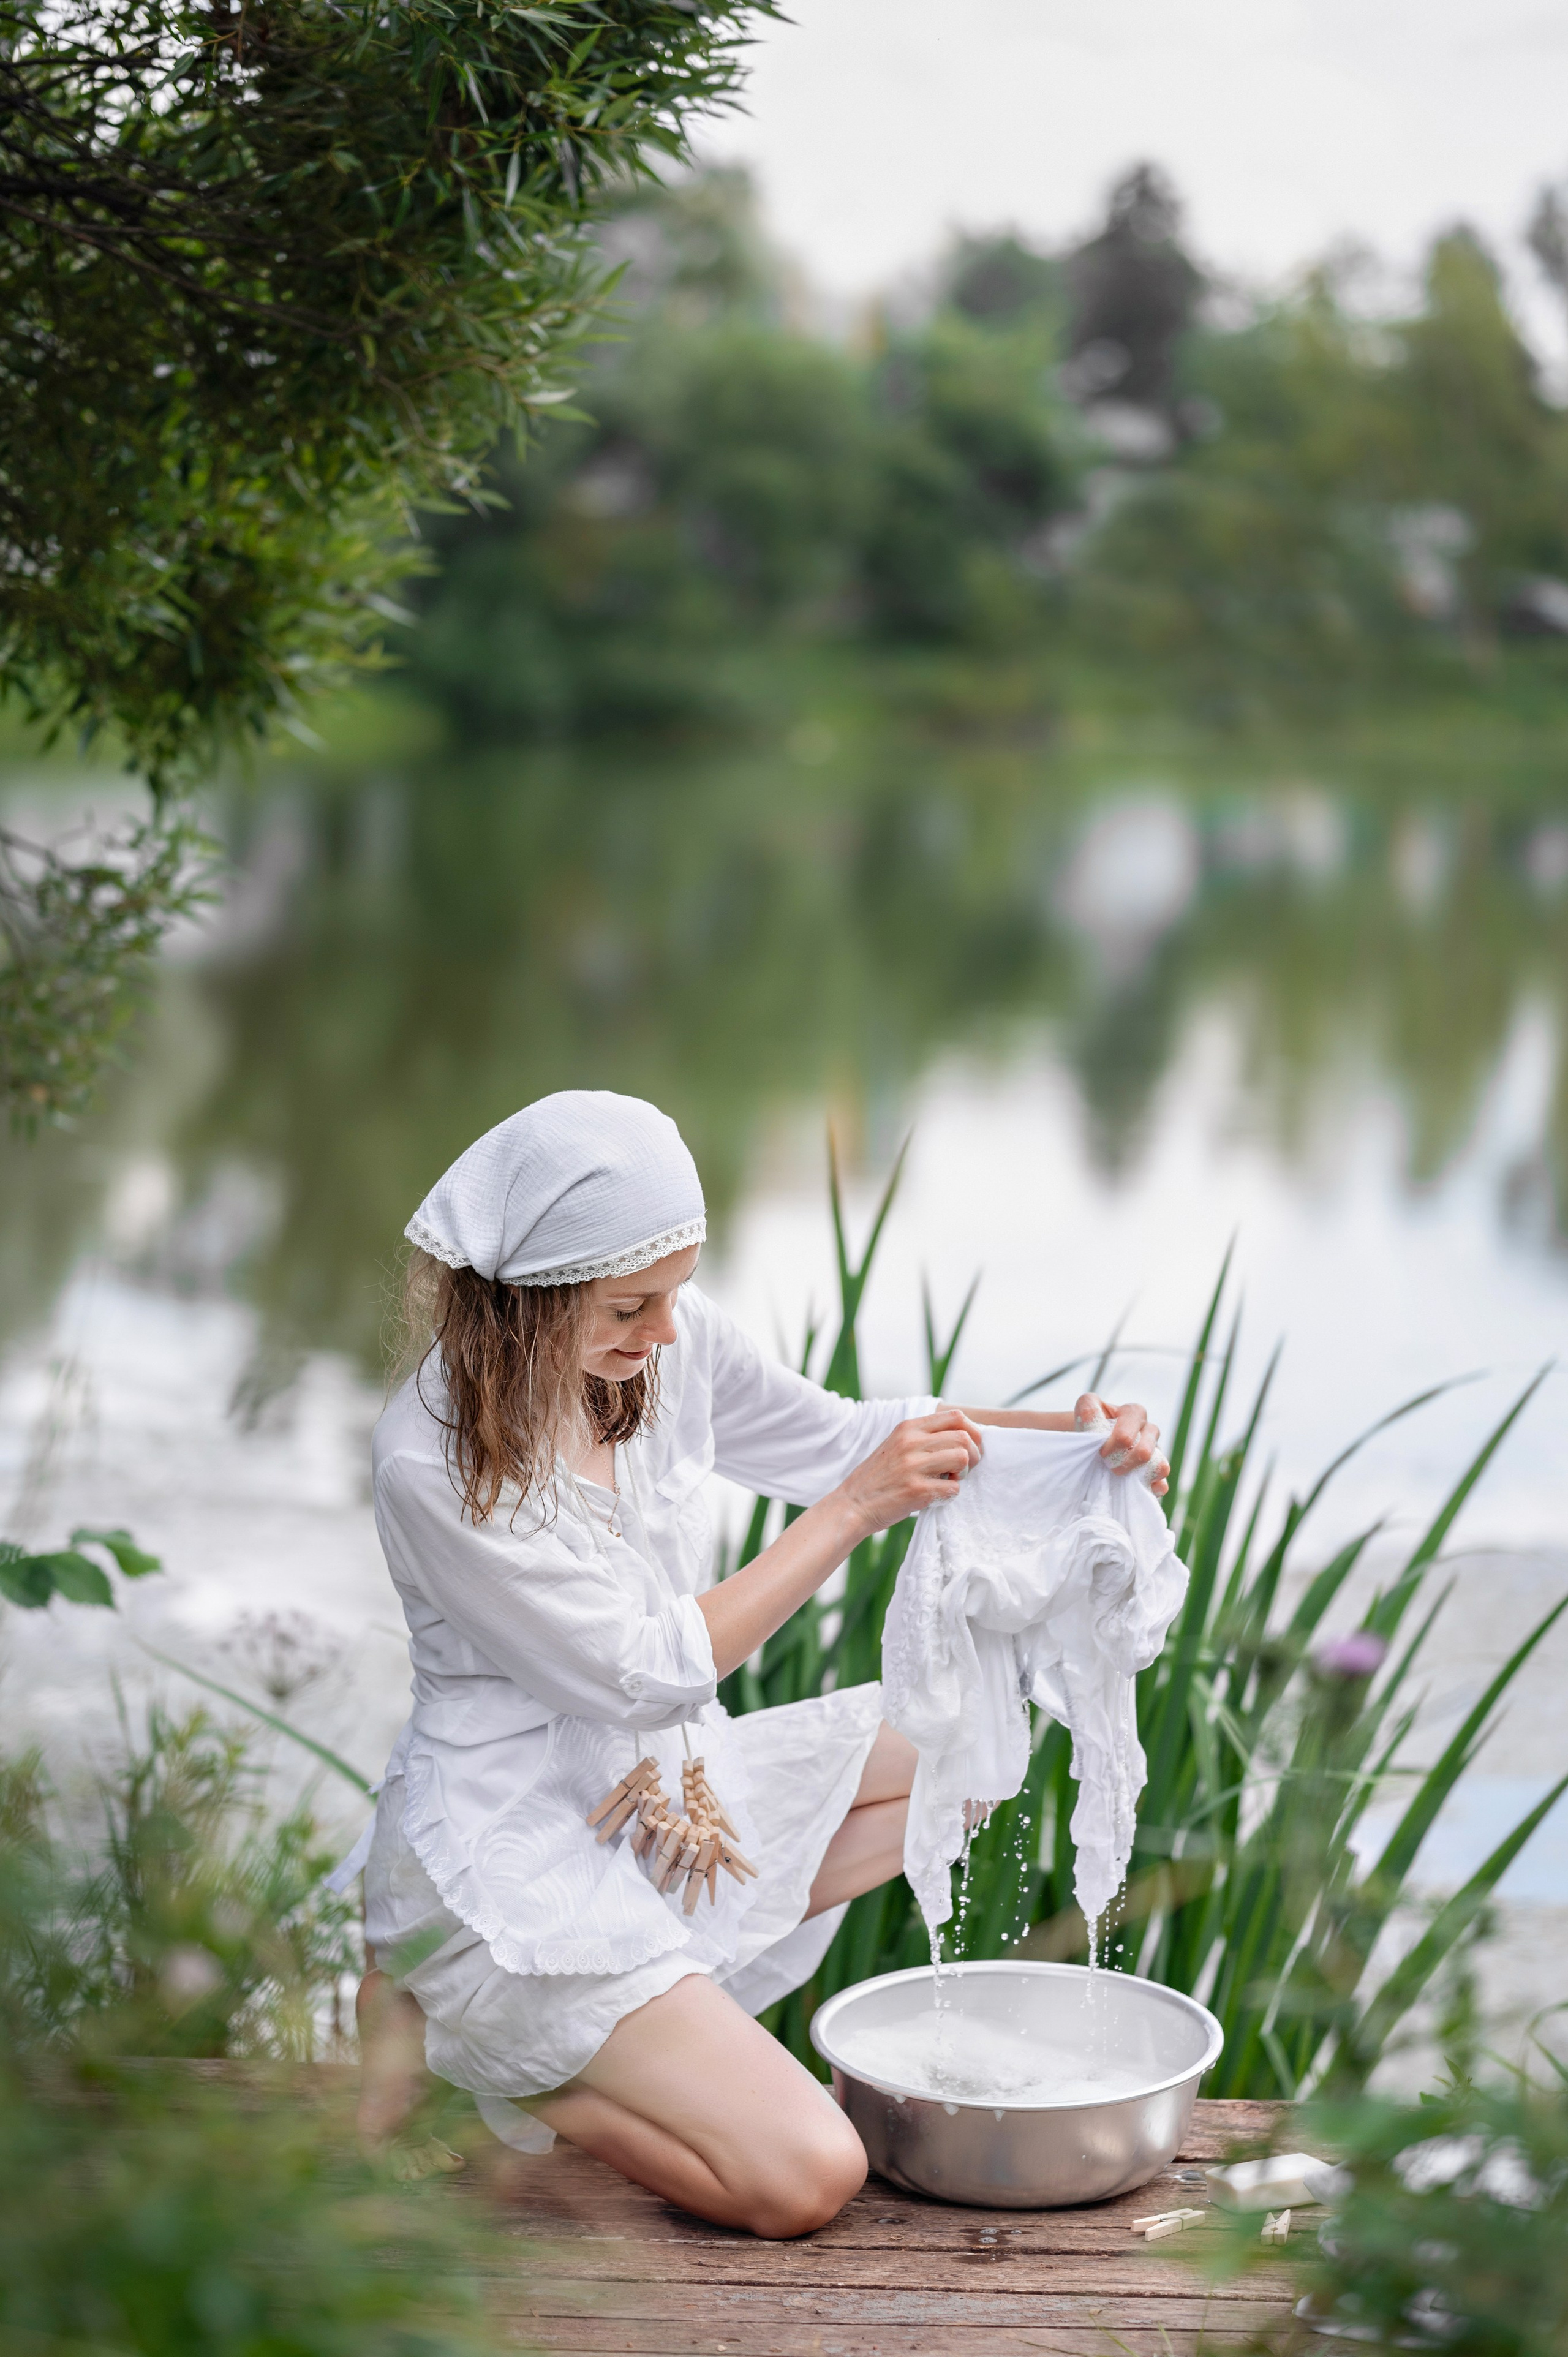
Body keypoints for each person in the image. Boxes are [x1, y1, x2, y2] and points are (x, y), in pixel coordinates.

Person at [351, 1091, 1167, 2236]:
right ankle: (490, 2042)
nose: (669, 1331)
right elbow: (639, 1672)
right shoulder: (429, 1468)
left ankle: (595, 2009)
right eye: (633, 1306)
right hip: (518, 1855)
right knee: (805, 2180)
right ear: (527, 1301)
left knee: (977, 1751)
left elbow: (846, 1437)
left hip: (662, 1799)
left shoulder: (653, 1345)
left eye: (677, 1293)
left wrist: (1073, 1439)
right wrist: (848, 1516)